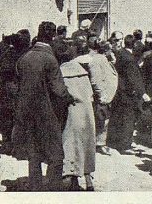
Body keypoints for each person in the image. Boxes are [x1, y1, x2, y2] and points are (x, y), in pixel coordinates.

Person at [11, 21, 76, 191]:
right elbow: (59, 90)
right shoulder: (50, 58)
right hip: (47, 113)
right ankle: (54, 188)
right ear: (53, 36)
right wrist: (70, 98)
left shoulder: (24, 58)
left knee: (34, 153)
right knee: (55, 154)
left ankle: (35, 186)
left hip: (27, 113)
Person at [56, 39, 96, 192]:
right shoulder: (83, 71)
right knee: (87, 145)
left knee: (71, 145)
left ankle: (70, 178)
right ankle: (88, 179)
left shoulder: (61, 73)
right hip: (86, 113)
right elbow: (91, 93)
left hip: (71, 113)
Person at [106, 35, 149, 154]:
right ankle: (125, 145)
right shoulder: (130, 59)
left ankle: (114, 141)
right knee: (128, 118)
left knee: (118, 116)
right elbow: (134, 78)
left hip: (119, 91)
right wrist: (143, 93)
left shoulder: (121, 53)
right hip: (128, 93)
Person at [79, 36, 118, 156]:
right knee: (101, 120)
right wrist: (102, 95)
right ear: (105, 51)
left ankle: (100, 142)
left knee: (104, 119)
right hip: (102, 96)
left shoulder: (103, 59)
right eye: (110, 50)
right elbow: (96, 80)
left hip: (106, 95)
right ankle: (99, 144)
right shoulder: (96, 60)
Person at [0, 30, 31, 152]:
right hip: (19, 89)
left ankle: (8, 143)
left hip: (8, 89)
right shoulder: (28, 54)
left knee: (7, 117)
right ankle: (18, 145)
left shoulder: (9, 53)